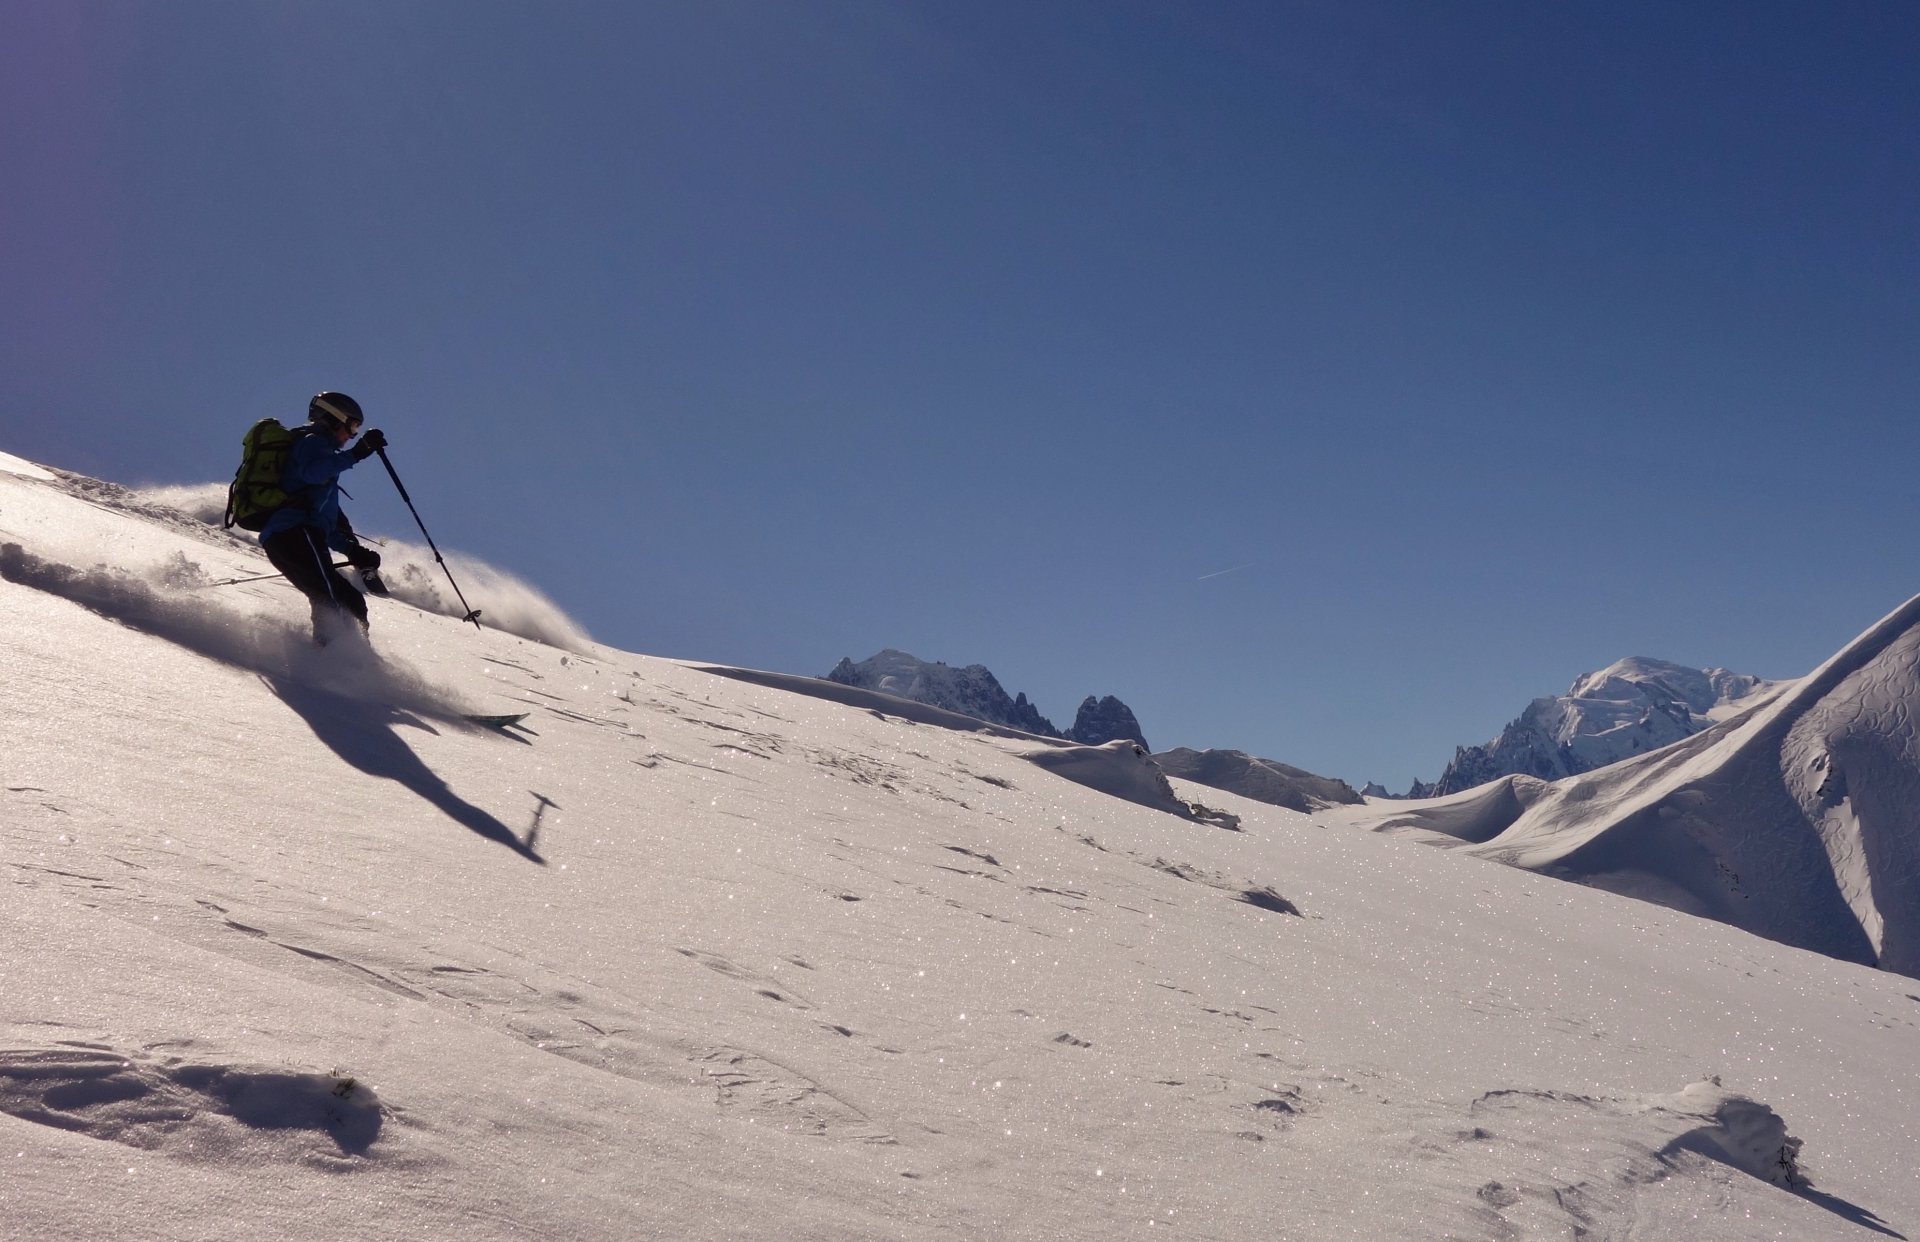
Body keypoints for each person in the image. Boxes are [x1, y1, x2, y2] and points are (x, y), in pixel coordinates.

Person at [259, 391, 389, 644]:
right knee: (331, 599)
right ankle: (333, 660)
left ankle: (350, 659)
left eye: (357, 429)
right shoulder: (313, 440)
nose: (351, 436)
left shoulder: (323, 458)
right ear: (333, 418)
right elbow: (311, 472)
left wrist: (353, 551)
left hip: (301, 535)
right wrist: (357, 454)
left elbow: (322, 526)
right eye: (352, 426)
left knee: (350, 601)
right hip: (292, 534)